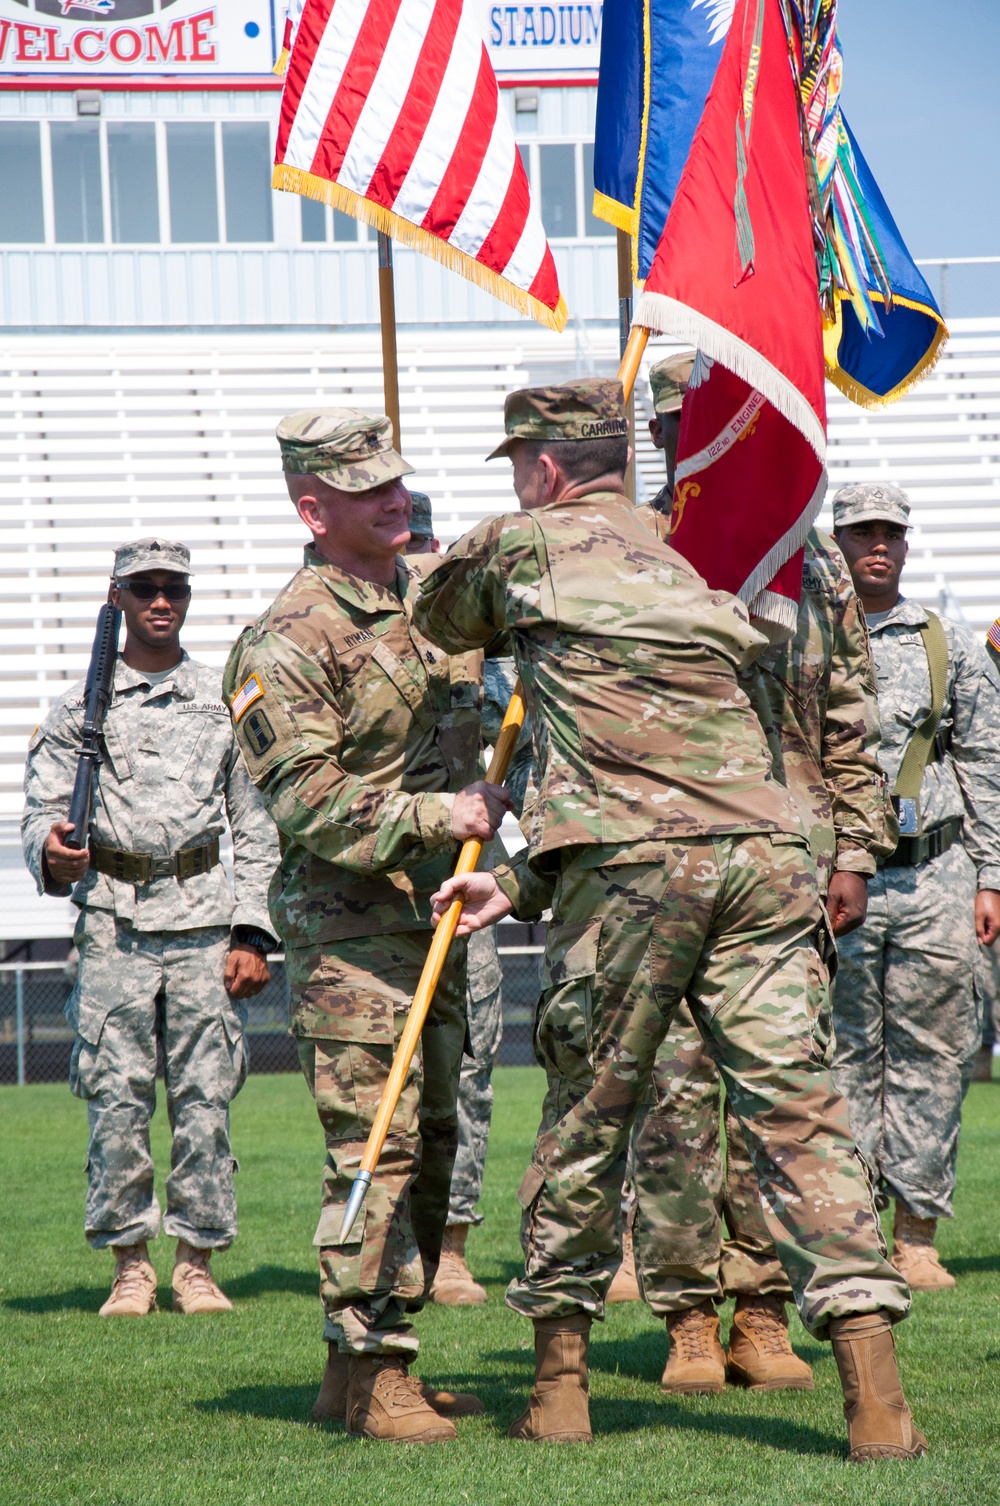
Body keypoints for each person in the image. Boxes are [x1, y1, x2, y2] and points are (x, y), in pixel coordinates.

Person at [414, 379, 925, 1463]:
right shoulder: (699, 549)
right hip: (760, 852)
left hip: (635, 867)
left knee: (588, 1119)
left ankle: (558, 1387)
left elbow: (435, 612)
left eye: (519, 464)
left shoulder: (525, 542)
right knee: (800, 1114)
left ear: (544, 468)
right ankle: (877, 1400)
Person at [222, 410, 510, 1444]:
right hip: (352, 934)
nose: (396, 497)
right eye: (367, 487)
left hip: (444, 917)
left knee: (434, 1143)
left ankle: (357, 1375)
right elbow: (306, 801)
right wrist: (447, 817)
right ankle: (377, 1363)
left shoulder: (434, 608)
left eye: (399, 480)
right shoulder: (287, 637)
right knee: (373, 1145)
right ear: (313, 507)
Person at [22, 539, 278, 1318]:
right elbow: (40, 815)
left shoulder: (226, 698)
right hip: (114, 927)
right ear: (119, 599)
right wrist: (54, 853)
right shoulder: (79, 712)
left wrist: (253, 932)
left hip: (204, 923)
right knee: (117, 1100)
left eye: (174, 588)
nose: (161, 601)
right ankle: (130, 1266)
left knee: (206, 1099)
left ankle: (196, 1263)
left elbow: (257, 824)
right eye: (145, 589)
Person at [831, 483, 1000, 1289]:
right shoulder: (804, 643)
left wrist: (992, 876)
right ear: (833, 541)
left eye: (891, 533)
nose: (878, 545)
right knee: (842, 1060)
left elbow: (985, 765)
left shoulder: (948, 645)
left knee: (934, 1059)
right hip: (839, 883)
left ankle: (917, 1232)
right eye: (862, 531)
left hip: (937, 873)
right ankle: (854, 1227)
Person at [407, 492, 534, 1306]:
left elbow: (521, 761)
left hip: (462, 889)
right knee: (382, 1071)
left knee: (468, 1071)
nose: (417, 556)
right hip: (373, 890)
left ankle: (452, 1246)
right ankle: (389, 1246)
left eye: (427, 543)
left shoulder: (486, 659)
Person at [645, 350, 695, 516]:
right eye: (685, 416)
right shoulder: (634, 535)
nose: (701, 428)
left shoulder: (764, 530)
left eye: (712, 415)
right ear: (658, 432)